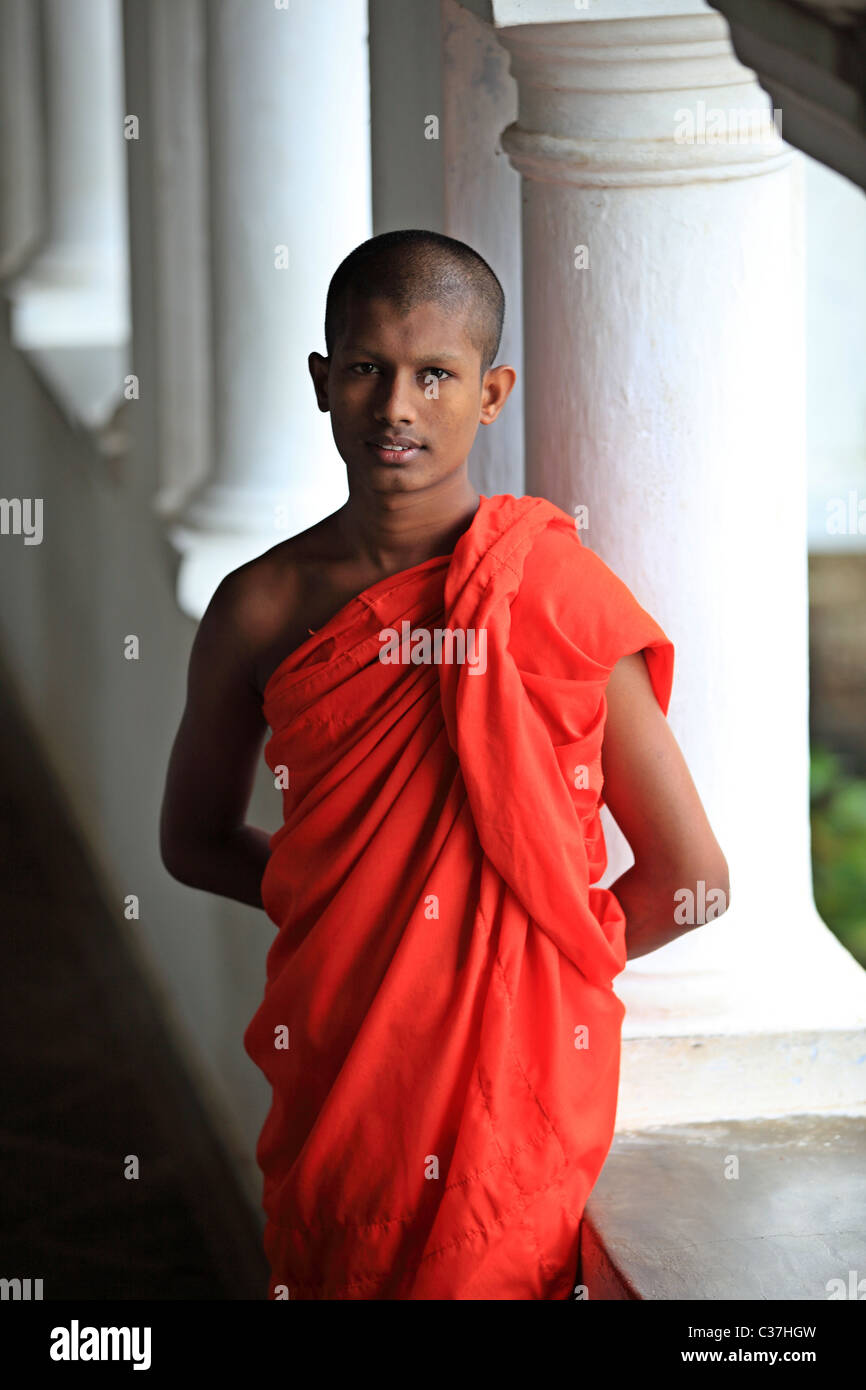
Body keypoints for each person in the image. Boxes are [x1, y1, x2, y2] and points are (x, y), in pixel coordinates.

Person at [160, 229, 730, 1300]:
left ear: (491, 392)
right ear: (323, 382)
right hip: (342, 1070)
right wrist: (339, 898)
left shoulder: (548, 595)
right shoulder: (262, 605)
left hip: (504, 1086)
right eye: (367, 369)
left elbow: (692, 882)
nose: (396, 408)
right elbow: (190, 840)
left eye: (435, 375)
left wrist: (536, 948)